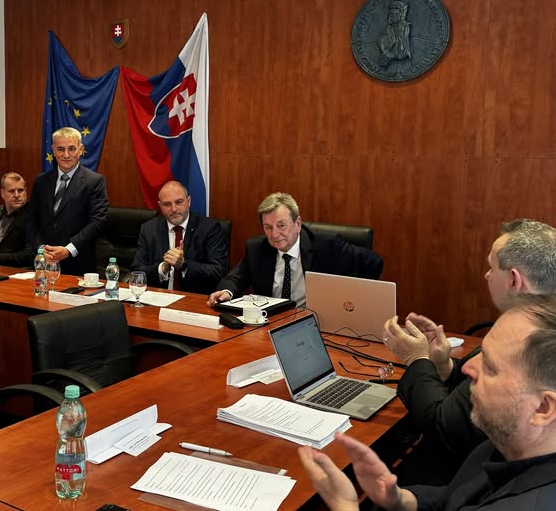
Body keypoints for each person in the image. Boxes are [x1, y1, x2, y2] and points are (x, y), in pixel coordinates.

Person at [299, 295, 556, 511]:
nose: (466, 368)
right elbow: (454, 496)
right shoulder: (507, 444)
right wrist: (402, 500)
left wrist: (344, 505)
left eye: (490, 366)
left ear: (543, 408)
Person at [381, 218, 556, 486]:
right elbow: (468, 396)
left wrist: (415, 359)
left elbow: (444, 427)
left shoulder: (530, 341)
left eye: (491, 267)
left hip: (456, 482)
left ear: (513, 280)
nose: (486, 275)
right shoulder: (535, 323)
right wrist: (444, 366)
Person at [207, 192, 383, 307]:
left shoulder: (326, 245)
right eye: (268, 227)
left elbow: (374, 263)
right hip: (271, 324)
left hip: (316, 323)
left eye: (281, 225)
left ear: (297, 223)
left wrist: (350, 297)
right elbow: (235, 279)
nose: (274, 234)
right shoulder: (257, 248)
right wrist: (226, 292)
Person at [26, 126, 109, 276]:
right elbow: (31, 219)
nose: (66, 155)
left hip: (78, 265)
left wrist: (68, 250)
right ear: (53, 150)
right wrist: (41, 248)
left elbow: (98, 221)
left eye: (71, 149)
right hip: (44, 262)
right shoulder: (41, 181)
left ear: (80, 149)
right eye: (60, 149)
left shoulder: (94, 181)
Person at [131, 180, 227, 294]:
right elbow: (136, 271)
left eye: (179, 202)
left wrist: (183, 265)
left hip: (193, 298)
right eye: (167, 204)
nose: (174, 209)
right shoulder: (149, 229)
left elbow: (218, 271)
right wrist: (162, 268)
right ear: (160, 206)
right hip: (159, 297)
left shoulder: (209, 228)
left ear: (189, 201)